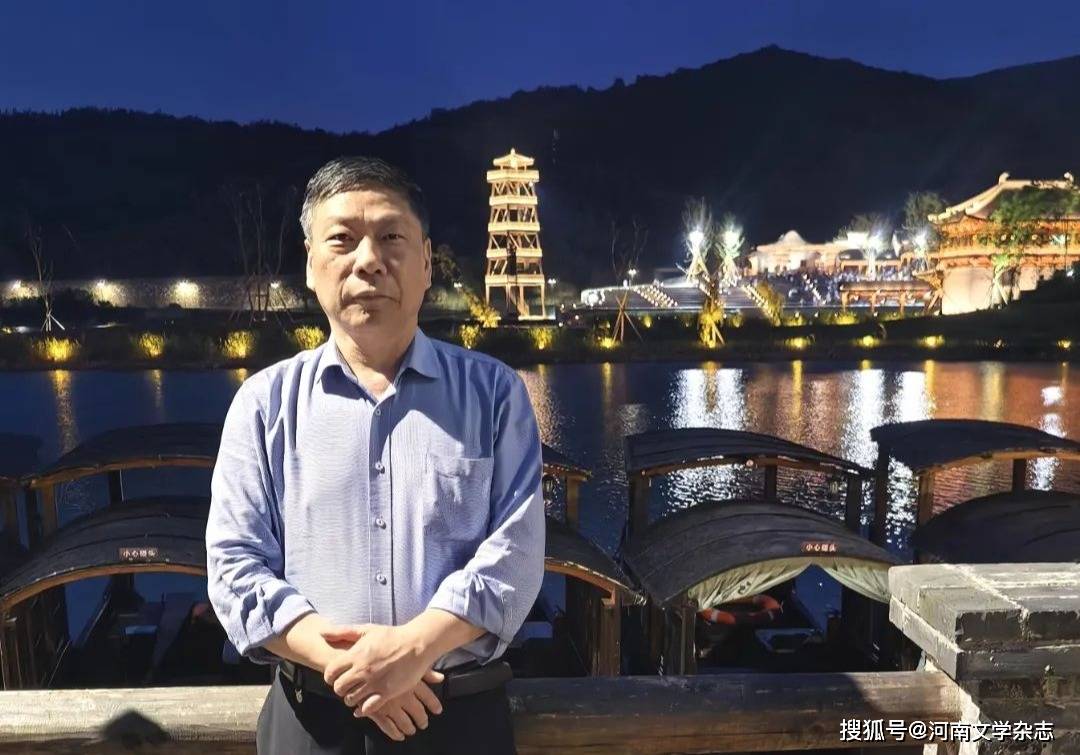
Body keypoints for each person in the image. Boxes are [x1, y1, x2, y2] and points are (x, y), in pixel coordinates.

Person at [206, 156, 546, 754]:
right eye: (342, 239)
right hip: (312, 719)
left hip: (458, 716)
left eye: (391, 237)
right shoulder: (263, 404)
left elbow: (516, 557)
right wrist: (352, 666)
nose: (368, 260)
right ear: (310, 264)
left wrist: (414, 649)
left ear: (426, 263)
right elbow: (234, 566)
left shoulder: (494, 394)